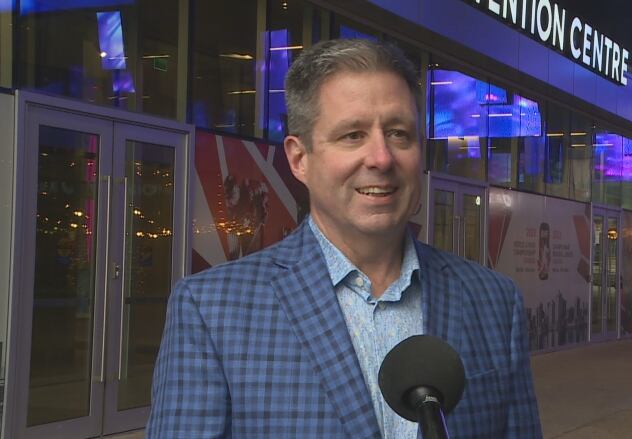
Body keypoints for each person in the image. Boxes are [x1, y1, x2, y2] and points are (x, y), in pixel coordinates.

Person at [147, 38, 541, 438]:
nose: (382, 158)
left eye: (399, 133)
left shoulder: (493, 301)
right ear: (300, 158)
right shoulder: (212, 310)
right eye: (353, 135)